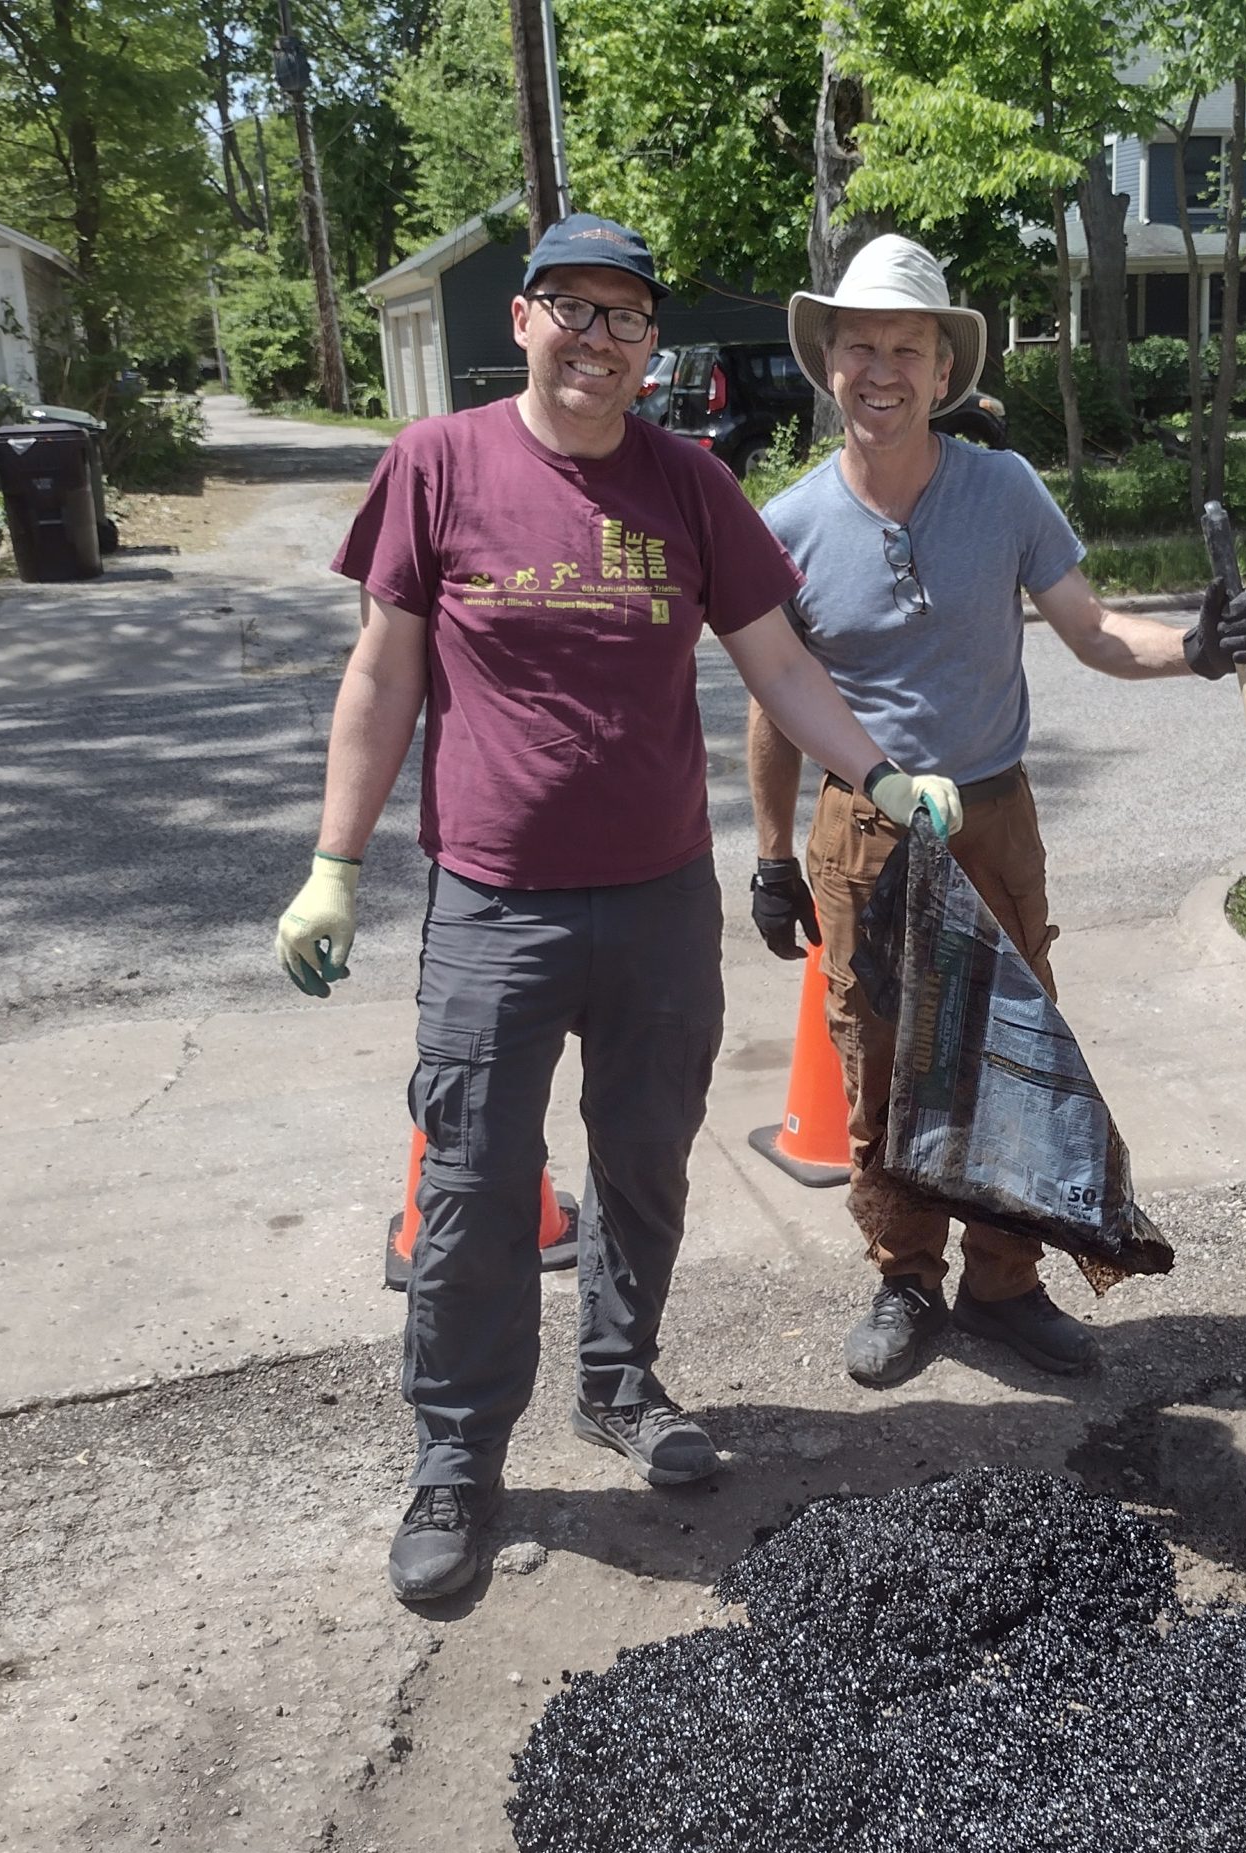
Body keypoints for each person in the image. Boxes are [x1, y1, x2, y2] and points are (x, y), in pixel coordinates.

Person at [273, 214, 962, 1602]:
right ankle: (459, 1457)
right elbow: (382, 676)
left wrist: (880, 774)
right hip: (494, 907)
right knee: (472, 1189)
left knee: (643, 1167)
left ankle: (619, 1378)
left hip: (656, 905)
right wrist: (334, 863)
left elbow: (775, 662)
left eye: (626, 317)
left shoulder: (690, 485)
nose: (597, 337)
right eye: (572, 308)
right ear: (521, 319)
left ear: (654, 348)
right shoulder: (436, 466)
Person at [746, 234, 1246, 1390]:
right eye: (858, 347)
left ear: (944, 372)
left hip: (991, 817)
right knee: (879, 1064)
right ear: (825, 364)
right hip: (863, 835)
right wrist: (774, 856)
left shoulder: (1005, 489)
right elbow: (775, 702)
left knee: (1008, 1053)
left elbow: (1091, 632)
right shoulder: (783, 528)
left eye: (906, 348)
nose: (880, 369)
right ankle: (903, 1279)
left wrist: (1191, 646)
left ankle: (1003, 1284)